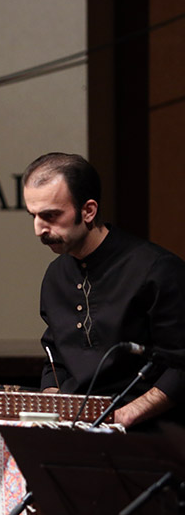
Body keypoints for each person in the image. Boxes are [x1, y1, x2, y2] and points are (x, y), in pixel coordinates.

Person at [22, 152, 185, 428]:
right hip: (76, 428)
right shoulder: (55, 275)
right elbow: (55, 357)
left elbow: (180, 364)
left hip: (148, 431)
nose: (39, 229)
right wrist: (51, 403)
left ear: (88, 211)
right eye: (33, 216)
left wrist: (125, 416)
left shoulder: (157, 269)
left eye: (50, 216)